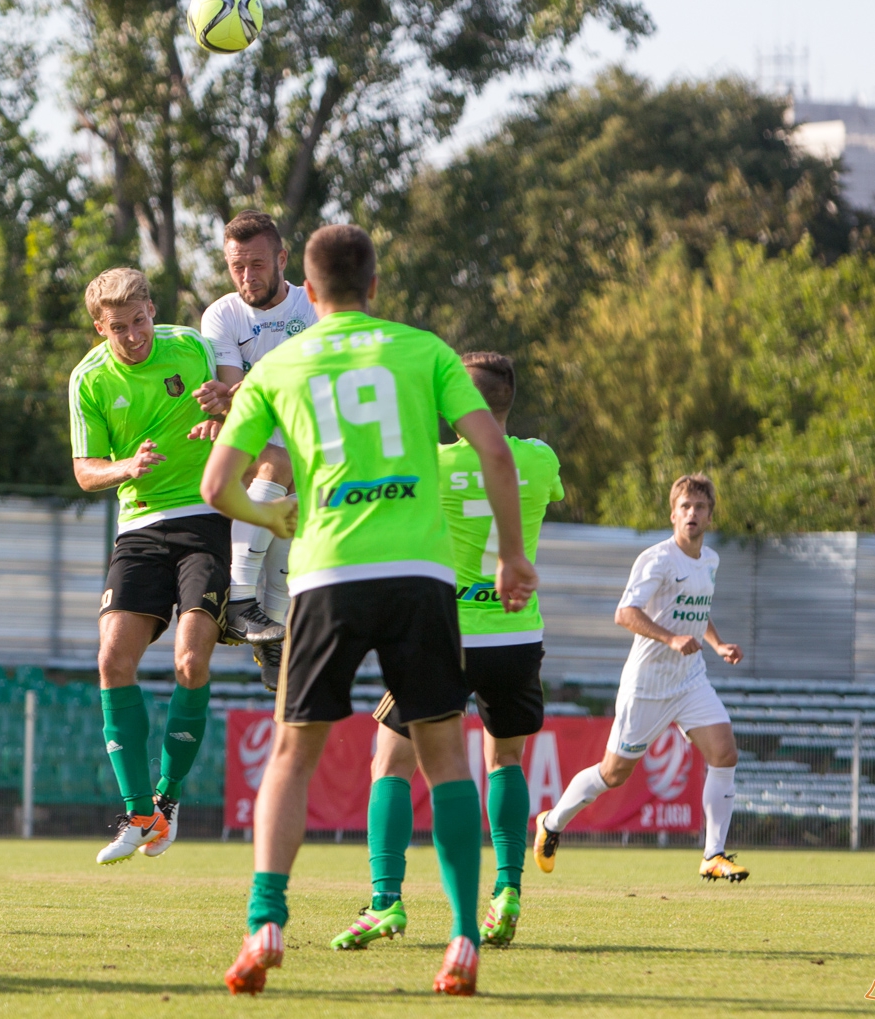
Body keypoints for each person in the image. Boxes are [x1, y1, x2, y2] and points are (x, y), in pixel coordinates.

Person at [199, 224, 538, 997]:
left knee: (293, 755)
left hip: (327, 574)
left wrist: (276, 520)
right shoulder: (425, 353)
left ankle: (265, 923)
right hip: (419, 576)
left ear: (307, 291)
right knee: (448, 757)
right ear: (376, 285)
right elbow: (492, 450)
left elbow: (216, 486)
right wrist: (514, 554)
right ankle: (459, 938)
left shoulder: (280, 363)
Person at [330, 351, 563, 953]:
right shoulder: (539, 460)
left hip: (444, 634)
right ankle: (507, 891)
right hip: (515, 634)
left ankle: (385, 901)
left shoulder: (431, 464)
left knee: (392, 764)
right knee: (504, 762)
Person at [68, 268, 229, 865]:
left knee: (191, 661)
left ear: (152, 311)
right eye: (119, 328)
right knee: (111, 659)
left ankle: (169, 798)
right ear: (99, 327)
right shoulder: (87, 379)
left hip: (205, 518)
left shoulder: (190, 346)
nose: (134, 336)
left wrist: (224, 407)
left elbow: (244, 409)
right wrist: (126, 468)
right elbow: (86, 471)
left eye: (140, 322)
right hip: (138, 528)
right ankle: (138, 815)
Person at [532, 474, 749, 883]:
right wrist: (670, 638)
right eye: (685, 507)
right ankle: (552, 822)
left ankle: (713, 854)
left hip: (690, 680)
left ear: (709, 516)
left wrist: (717, 644)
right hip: (648, 684)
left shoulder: (711, 561)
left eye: (700, 507)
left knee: (724, 753)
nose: (692, 513)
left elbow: (697, 611)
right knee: (613, 774)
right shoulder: (658, 559)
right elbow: (624, 613)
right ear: (673, 514)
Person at [195, 210, 319, 690]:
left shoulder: (310, 306)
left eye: (257, 265)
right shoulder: (223, 314)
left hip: (309, 438)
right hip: (252, 440)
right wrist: (233, 395)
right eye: (237, 267)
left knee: (290, 510)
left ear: (282, 259)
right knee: (278, 461)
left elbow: (308, 389)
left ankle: (273, 634)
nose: (247, 277)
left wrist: (243, 390)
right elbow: (236, 403)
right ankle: (242, 602)